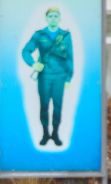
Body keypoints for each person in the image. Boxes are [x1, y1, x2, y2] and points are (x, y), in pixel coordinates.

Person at [21, 7, 73, 147]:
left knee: (57, 106)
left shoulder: (65, 36)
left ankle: (55, 134)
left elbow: (70, 58)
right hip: (44, 76)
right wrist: (33, 64)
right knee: (44, 105)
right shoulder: (39, 34)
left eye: (56, 16)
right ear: (46, 18)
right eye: (50, 16)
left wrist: (68, 78)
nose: (53, 18)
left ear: (60, 18)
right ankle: (45, 133)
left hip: (60, 76)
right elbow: (26, 51)